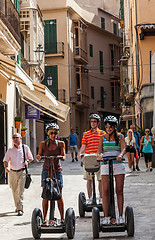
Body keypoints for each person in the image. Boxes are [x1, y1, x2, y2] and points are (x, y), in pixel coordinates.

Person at [97, 115, 126, 224]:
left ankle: (120, 216)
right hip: (105, 164)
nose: (108, 128)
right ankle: (105, 217)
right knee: (105, 191)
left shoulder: (121, 136)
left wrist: (120, 155)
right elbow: (99, 151)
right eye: (107, 126)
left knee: (119, 191)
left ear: (115, 127)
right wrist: (98, 156)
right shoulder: (102, 137)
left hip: (118, 164)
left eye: (110, 126)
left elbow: (123, 148)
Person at [36, 123, 65, 224]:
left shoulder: (61, 144)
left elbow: (64, 156)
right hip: (46, 170)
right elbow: (39, 155)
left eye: (55, 133)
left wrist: (60, 157)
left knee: (59, 194)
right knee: (46, 194)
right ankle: (44, 218)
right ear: (48, 134)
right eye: (51, 133)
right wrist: (38, 157)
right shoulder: (43, 144)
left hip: (57, 170)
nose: (54, 135)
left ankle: (62, 218)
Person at [3, 133, 33, 216]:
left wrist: (27, 161)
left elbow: (31, 158)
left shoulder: (25, 148)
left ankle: (20, 208)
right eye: (13, 138)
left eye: (17, 137)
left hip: (22, 172)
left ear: (20, 138)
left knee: (20, 191)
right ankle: (17, 206)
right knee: (14, 191)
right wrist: (6, 167)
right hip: (12, 172)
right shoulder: (10, 150)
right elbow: (5, 160)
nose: (15, 139)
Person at [79, 113, 105, 204]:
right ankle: (90, 199)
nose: (93, 123)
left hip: (99, 157)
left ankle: (101, 198)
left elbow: (104, 146)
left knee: (100, 179)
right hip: (89, 157)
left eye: (94, 122)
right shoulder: (86, 134)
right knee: (89, 180)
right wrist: (81, 153)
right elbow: (84, 145)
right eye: (91, 121)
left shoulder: (102, 133)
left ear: (98, 123)